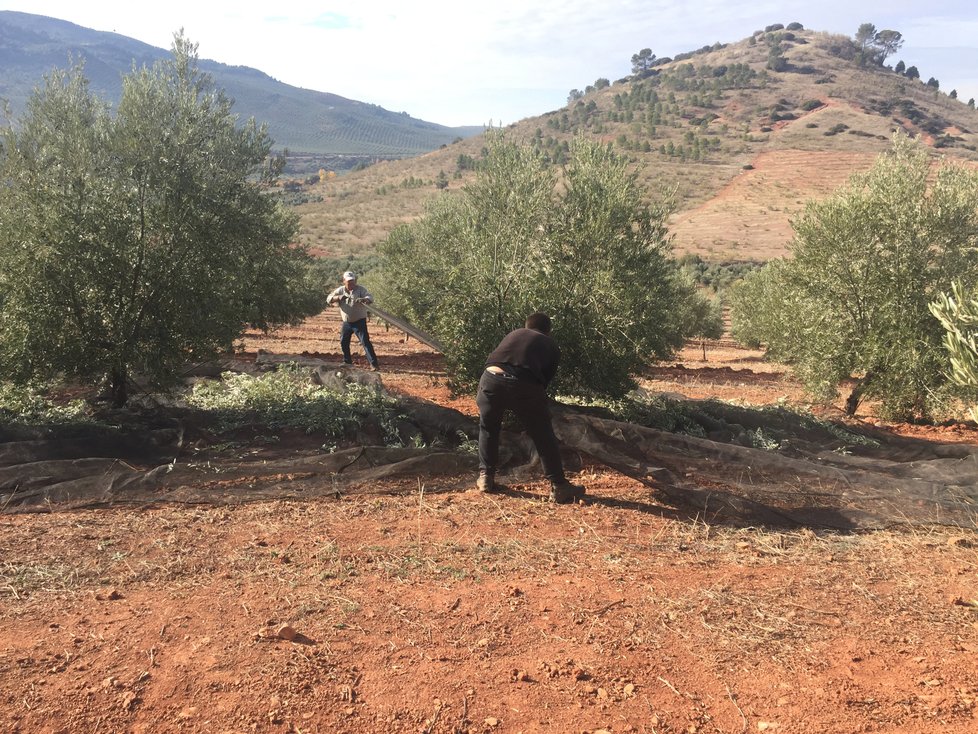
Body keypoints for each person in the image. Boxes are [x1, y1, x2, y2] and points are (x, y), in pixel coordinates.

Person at [476, 312, 586, 504]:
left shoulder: (514, 334)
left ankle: (486, 477)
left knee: (489, 428)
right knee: (543, 435)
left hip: (490, 378)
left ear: (526, 326)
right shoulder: (550, 345)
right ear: (548, 331)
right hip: (523, 383)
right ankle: (559, 486)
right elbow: (543, 383)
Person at [327, 271, 380, 371]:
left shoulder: (361, 289)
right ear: (344, 281)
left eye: (352, 281)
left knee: (365, 342)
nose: (351, 284)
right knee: (344, 342)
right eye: (349, 282)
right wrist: (337, 298)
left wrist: (364, 299)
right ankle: (347, 362)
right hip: (347, 322)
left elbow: (370, 297)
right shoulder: (340, 290)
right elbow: (328, 298)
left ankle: (374, 364)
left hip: (359, 321)